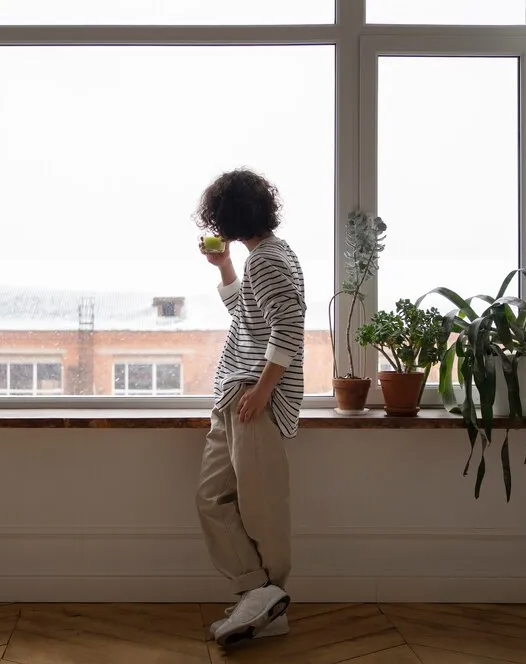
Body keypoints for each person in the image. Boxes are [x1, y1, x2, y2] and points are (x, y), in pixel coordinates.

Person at [193, 168, 306, 648]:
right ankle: (259, 596)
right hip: (234, 396)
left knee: (262, 509)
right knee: (212, 498)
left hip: (253, 398)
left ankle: (269, 601)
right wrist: (223, 266)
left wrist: (262, 391)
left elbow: (289, 326)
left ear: (227, 215)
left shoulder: (269, 259)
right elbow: (248, 315)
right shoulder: (265, 257)